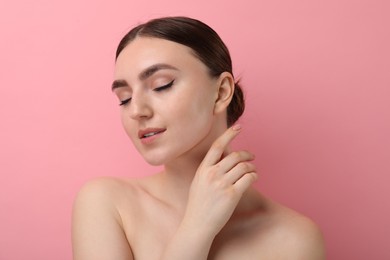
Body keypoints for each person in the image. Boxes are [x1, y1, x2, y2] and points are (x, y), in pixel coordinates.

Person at [72, 16, 325, 260]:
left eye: (162, 85)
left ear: (221, 92)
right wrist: (196, 228)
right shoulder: (107, 204)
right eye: (124, 98)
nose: (136, 110)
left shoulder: (294, 238)